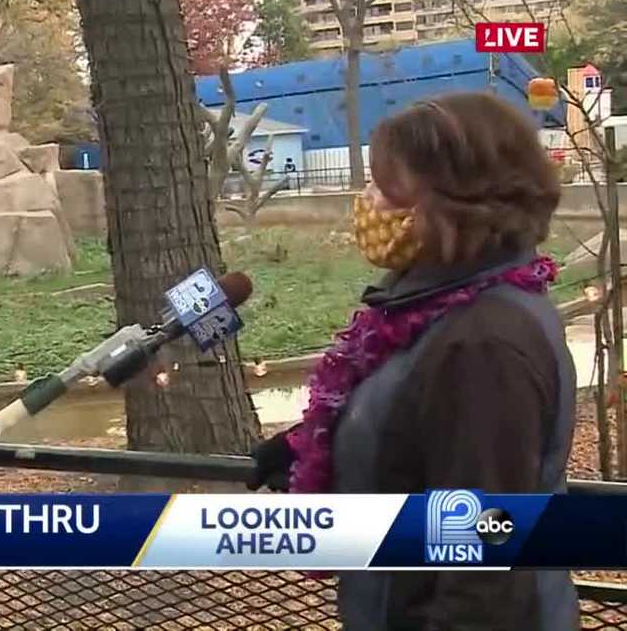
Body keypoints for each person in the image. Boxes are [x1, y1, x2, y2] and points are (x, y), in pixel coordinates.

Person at [247, 92, 578, 630]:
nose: (368, 202)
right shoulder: (436, 306)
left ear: (453, 199)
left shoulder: (483, 344)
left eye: (386, 187)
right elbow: (419, 434)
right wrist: (312, 446)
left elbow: (483, 565)